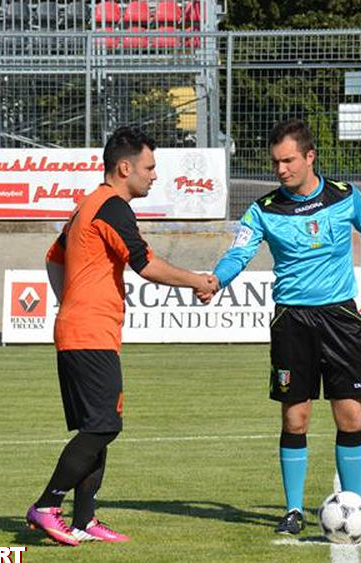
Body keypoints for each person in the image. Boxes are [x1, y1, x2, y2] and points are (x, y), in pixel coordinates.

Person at [208, 118, 361, 536]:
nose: (281, 170)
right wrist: (216, 280)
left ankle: (357, 505)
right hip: (292, 320)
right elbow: (238, 254)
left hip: (340, 318)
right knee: (295, 418)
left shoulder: (346, 197)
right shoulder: (263, 210)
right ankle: (293, 511)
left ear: (310, 157)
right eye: (275, 162)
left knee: (350, 416)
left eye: (288, 161)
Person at [26, 125, 216, 546]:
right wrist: (198, 281)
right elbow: (145, 263)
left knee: (100, 424)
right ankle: (47, 505)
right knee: (103, 426)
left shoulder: (85, 206)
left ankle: (85, 519)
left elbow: (52, 259)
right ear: (124, 167)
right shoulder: (112, 206)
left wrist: (68, 302)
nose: (154, 175)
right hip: (89, 333)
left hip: (82, 329)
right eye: (149, 167)